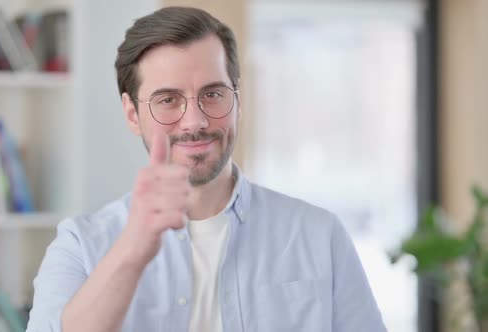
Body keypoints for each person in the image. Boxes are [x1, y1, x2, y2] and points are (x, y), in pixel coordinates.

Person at [27, 6, 386, 332]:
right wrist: (134, 247)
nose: (195, 121)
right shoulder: (79, 246)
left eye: (213, 94)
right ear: (132, 113)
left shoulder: (320, 236)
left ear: (238, 102)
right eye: (168, 100)